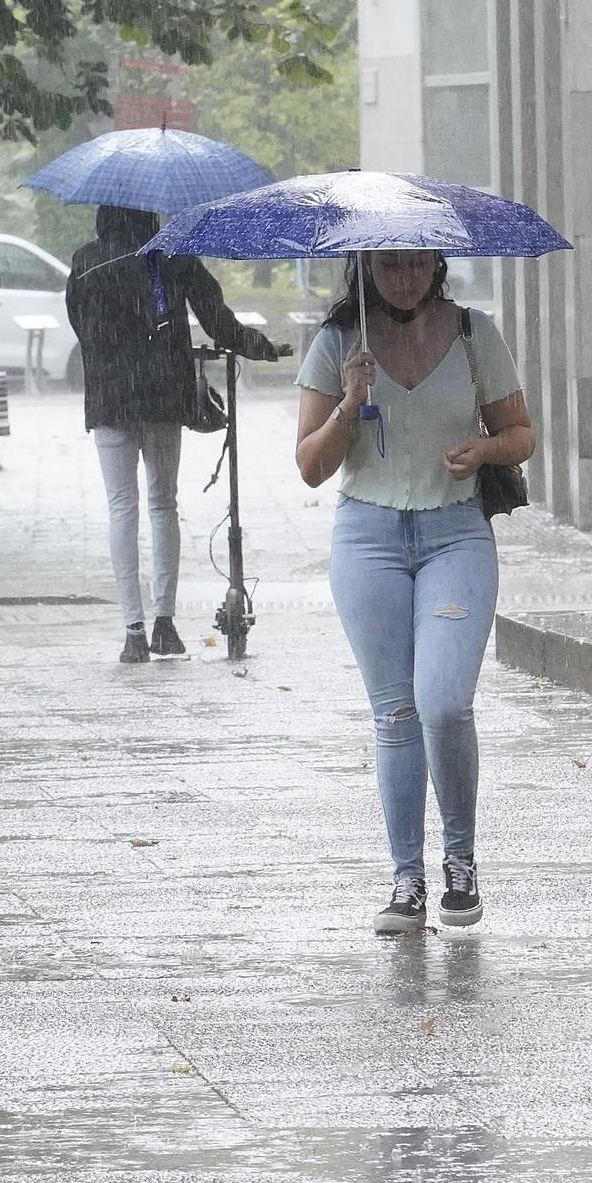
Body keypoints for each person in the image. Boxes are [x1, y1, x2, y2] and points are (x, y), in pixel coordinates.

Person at [293, 249, 534, 936]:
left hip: (455, 534)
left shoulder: (472, 333)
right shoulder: (340, 342)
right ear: (365, 269)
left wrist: (482, 451)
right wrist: (349, 404)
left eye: (417, 265)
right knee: (396, 715)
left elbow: (520, 434)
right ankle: (407, 879)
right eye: (389, 266)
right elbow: (311, 467)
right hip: (367, 540)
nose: (404, 279)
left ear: (437, 266)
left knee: (445, 701)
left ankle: (460, 858)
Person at [67, 205, 279, 664]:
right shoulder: (171, 255)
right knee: (163, 503)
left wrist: (117, 359)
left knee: (121, 507)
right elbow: (216, 318)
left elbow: (82, 329)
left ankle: (132, 631)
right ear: (149, 212)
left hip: (110, 401)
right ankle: (165, 623)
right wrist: (258, 347)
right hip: (163, 396)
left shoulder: (87, 261)